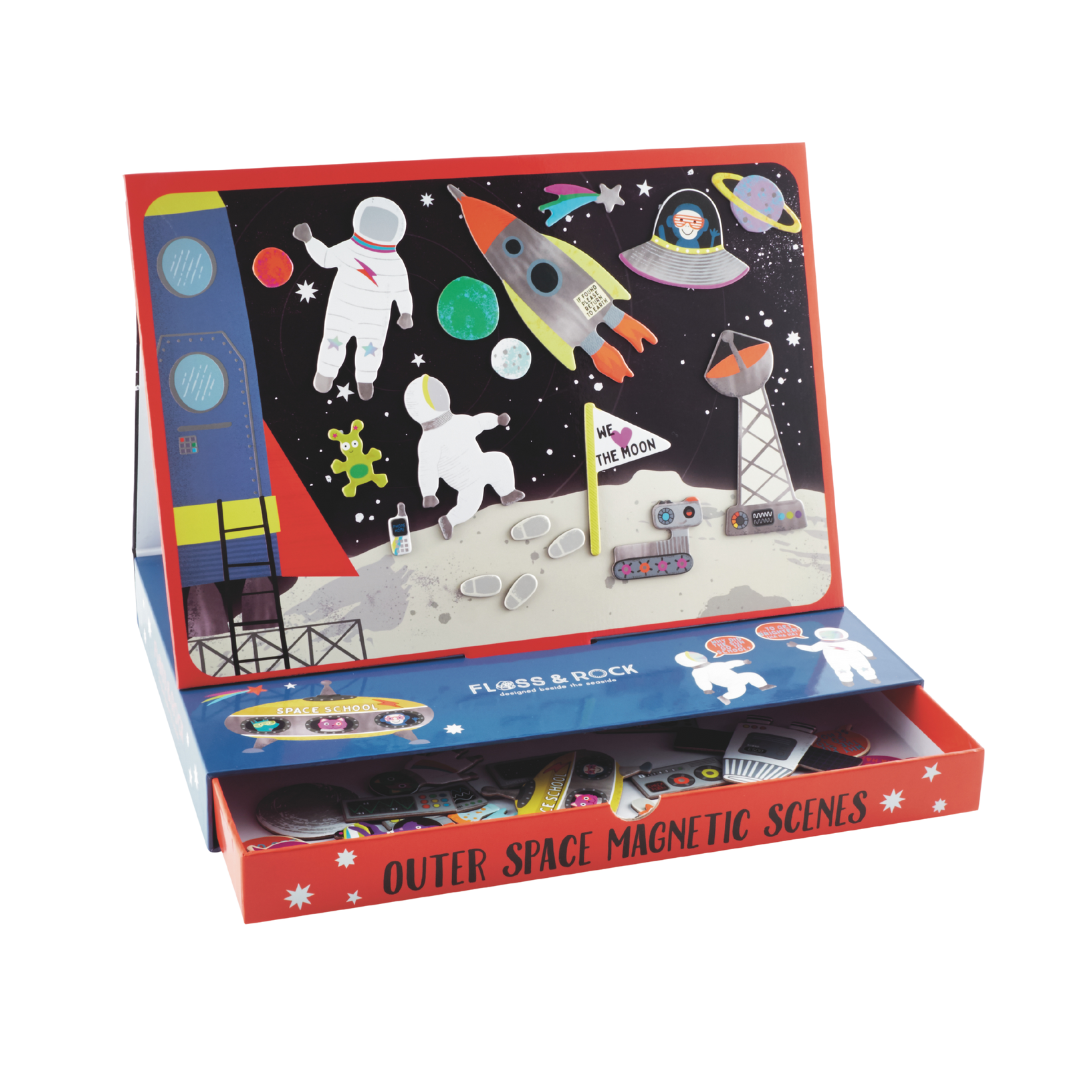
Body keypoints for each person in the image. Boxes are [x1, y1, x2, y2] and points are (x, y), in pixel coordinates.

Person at [293, 197, 413, 400]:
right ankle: (325, 373)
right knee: (333, 342)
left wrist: (406, 312)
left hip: (373, 318)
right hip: (343, 311)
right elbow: (325, 258)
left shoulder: (394, 262)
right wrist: (309, 240)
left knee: (371, 349)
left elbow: (402, 291)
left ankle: (365, 379)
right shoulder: (350, 248)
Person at [404, 375, 524, 540]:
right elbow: (427, 468)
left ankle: (507, 492)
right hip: (464, 481)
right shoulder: (428, 442)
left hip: (481, 463)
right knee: (470, 505)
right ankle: (450, 520)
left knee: (500, 460)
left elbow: (479, 422)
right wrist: (429, 493)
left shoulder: (458, 422)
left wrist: (496, 420)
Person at [674, 651, 775, 704]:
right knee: (739, 691)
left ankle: (763, 686)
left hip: (737, 677)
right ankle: (725, 697)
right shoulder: (698, 672)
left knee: (752, 675)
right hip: (730, 683)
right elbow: (701, 680)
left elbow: (729, 664)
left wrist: (742, 662)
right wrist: (707, 689)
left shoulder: (714, 664)